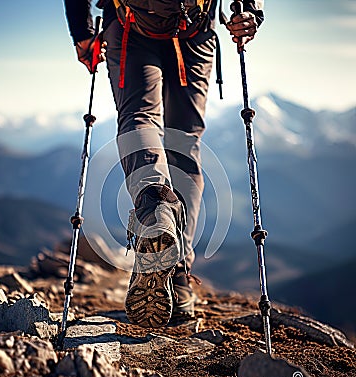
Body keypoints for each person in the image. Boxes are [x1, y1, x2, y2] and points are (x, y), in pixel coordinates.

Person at [64, 0, 264, 328]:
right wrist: (250, 12)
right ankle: (180, 278)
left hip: (131, 23)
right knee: (184, 143)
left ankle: (154, 208)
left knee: (138, 119)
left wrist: (83, 32)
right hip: (196, 31)